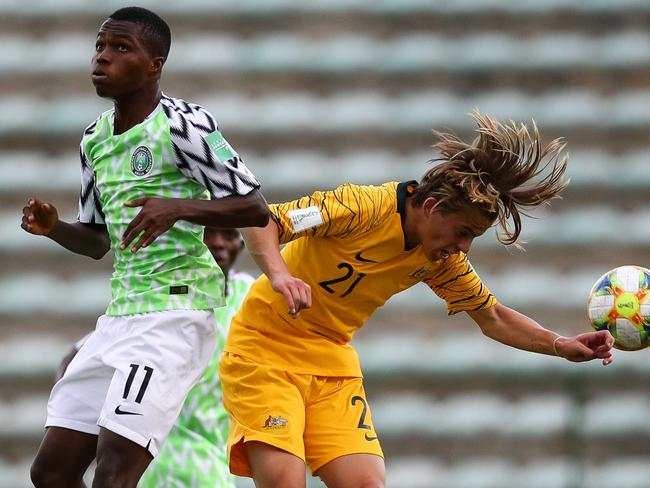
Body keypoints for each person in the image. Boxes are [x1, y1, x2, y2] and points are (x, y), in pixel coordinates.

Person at [218, 111, 615, 488]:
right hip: (263, 350)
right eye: (463, 231)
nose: (464, 247)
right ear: (431, 206)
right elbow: (264, 220)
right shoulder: (362, 208)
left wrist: (561, 345)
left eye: (472, 237)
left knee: (366, 482)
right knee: (286, 481)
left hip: (329, 359)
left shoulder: (441, 260)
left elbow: (492, 317)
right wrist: (281, 275)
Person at [22, 7, 269, 488]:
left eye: (120, 48)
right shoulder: (94, 140)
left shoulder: (185, 124)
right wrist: (55, 228)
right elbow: (98, 242)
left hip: (175, 315)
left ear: (154, 64)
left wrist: (177, 207)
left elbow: (253, 206)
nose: (102, 59)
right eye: (99, 47)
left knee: (114, 471)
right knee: (50, 472)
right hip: (120, 316)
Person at [56, 228, 254, 488]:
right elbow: (79, 354)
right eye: (207, 233)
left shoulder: (249, 297)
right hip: (149, 455)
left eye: (227, 235)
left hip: (208, 457)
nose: (217, 243)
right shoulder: (167, 294)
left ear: (241, 244)